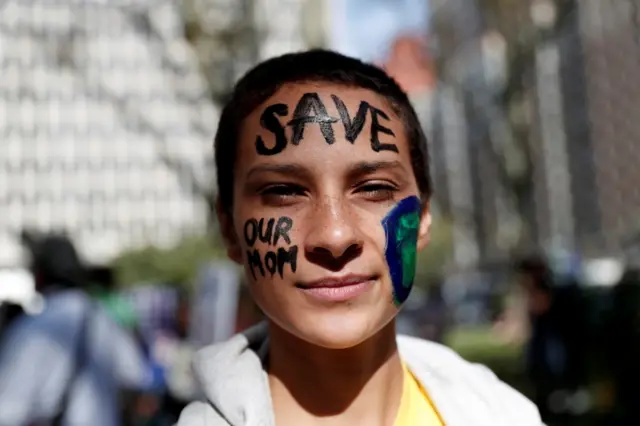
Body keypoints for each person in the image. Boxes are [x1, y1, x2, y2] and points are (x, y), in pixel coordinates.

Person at [178, 50, 542, 426]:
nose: (334, 236)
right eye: (284, 191)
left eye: (374, 189)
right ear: (229, 227)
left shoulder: (503, 414)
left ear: (422, 219)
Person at [0, 232, 159, 426]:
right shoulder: (103, 318)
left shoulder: (32, 329)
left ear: (40, 275)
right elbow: (137, 375)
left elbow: (8, 410)